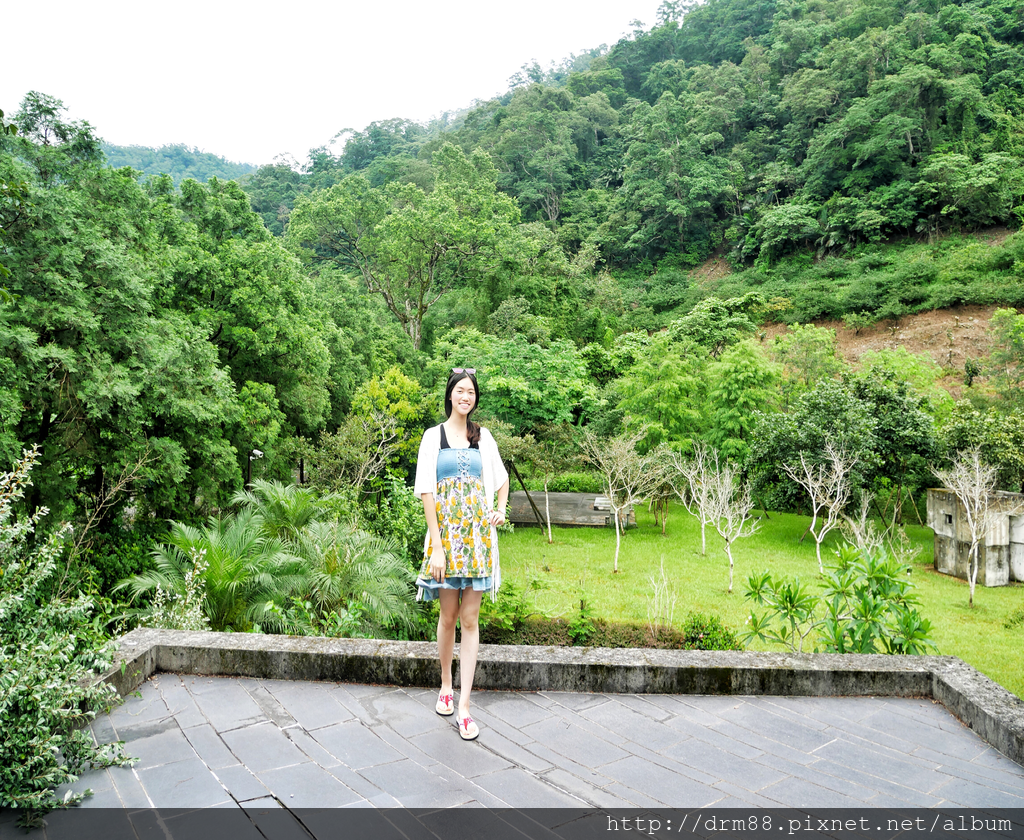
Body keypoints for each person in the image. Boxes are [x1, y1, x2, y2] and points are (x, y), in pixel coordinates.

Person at [413, 368, 509, 741]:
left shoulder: (483, 438)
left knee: (471, 619)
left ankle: (465, 708)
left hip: (479, 540)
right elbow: (426, 491)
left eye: (471, 392)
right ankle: (445, 685)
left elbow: (501, 479)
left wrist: (500, 509)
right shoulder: (432, 437)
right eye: (460, 391)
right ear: (450, 395)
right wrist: (436, 546)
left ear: (474, 399)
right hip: (446, 542)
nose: (466, 397)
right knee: (448, 615)